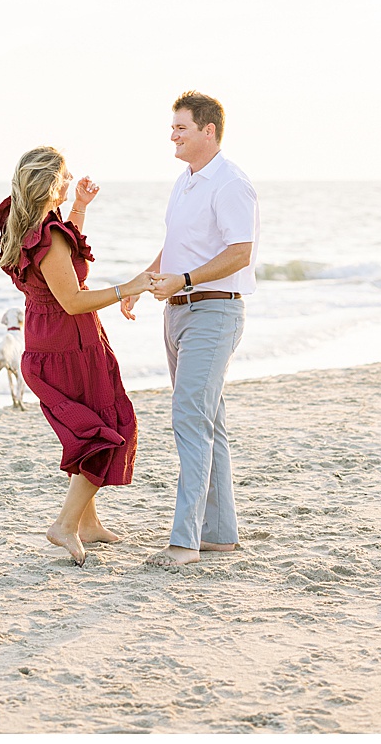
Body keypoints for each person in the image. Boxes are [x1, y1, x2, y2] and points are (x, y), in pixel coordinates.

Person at [0, 146, 153, 566]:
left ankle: (87, 523)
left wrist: (79, 208)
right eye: (65, 176)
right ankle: (64, 524)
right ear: (49, 183)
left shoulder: (27, 227)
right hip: (71, 347)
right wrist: (129, 285)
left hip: (49, 346)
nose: (71, 180)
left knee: (88, 431)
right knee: (105, 432)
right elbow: (74, 298)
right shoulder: (49, 236)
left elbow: (66, 263)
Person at [120, 90, 256, 567]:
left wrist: (187, 279)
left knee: (189, 420)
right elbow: (176, 244)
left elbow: (241, 252)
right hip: (176, 311)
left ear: (208, 130)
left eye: (180, 127)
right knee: (208, 422)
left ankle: (184, 543)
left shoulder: (231, 183)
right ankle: (219, 534)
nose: (172, 135)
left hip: (213, 312)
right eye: (172, 127)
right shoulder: (185, 181)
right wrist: (143, 280)